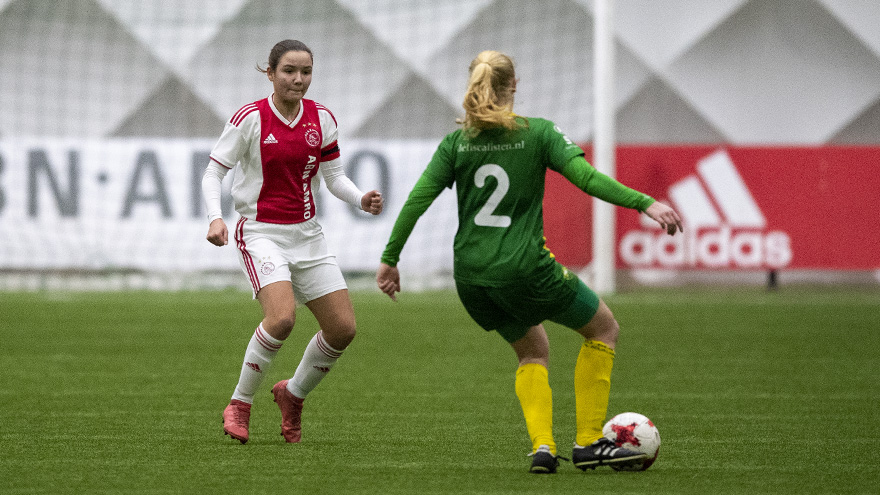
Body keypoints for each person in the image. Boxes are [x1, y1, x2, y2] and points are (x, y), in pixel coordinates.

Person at [376, 50, 682, 473]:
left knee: (532, 350)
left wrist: (390, 259)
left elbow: (417, 200)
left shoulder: (456, 143)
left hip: (471, 280)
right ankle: (589, 442)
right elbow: (587, 179)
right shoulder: (538, 134)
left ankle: (542, 447)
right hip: (524, 268)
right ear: (514, 86)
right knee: (603, 328)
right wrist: (645, 202)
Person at [203, 39, 384, 444]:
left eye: (305, 72)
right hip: (261, 231)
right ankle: (239, 403)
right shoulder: (250, 118)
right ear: (270, 73)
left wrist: (361, 198)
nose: (298, 79)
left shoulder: (322, 118)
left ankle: (293, 394)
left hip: (308, 235)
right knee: (282, 318)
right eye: (288, 71)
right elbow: (213, 173)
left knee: (343, 329)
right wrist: (216, 218)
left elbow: (334, 177)